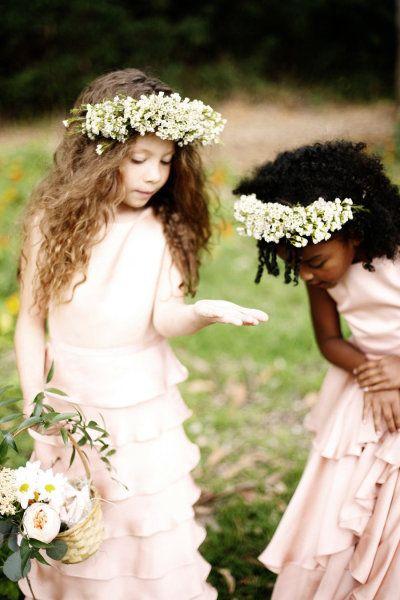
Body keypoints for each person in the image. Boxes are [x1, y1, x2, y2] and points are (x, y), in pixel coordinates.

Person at [15, 68, 267, 600]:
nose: (154, 175)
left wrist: (201, 312)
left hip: (140, 403)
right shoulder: (50, 223)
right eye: (138, 159)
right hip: (71, 396)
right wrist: (36, 410)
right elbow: (31, 323)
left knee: (141, 517)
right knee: (75, 517)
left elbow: (164, 318)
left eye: (166, 160)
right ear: (100, 154)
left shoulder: (162, 229)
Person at [233, 140, 400, 599]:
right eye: (293, 265)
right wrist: (375, 377)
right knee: (344, 505)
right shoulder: (320, 274)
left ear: (355, 234)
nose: (306, 275)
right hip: (366, 388)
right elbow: (329, 341)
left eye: (314, 263)